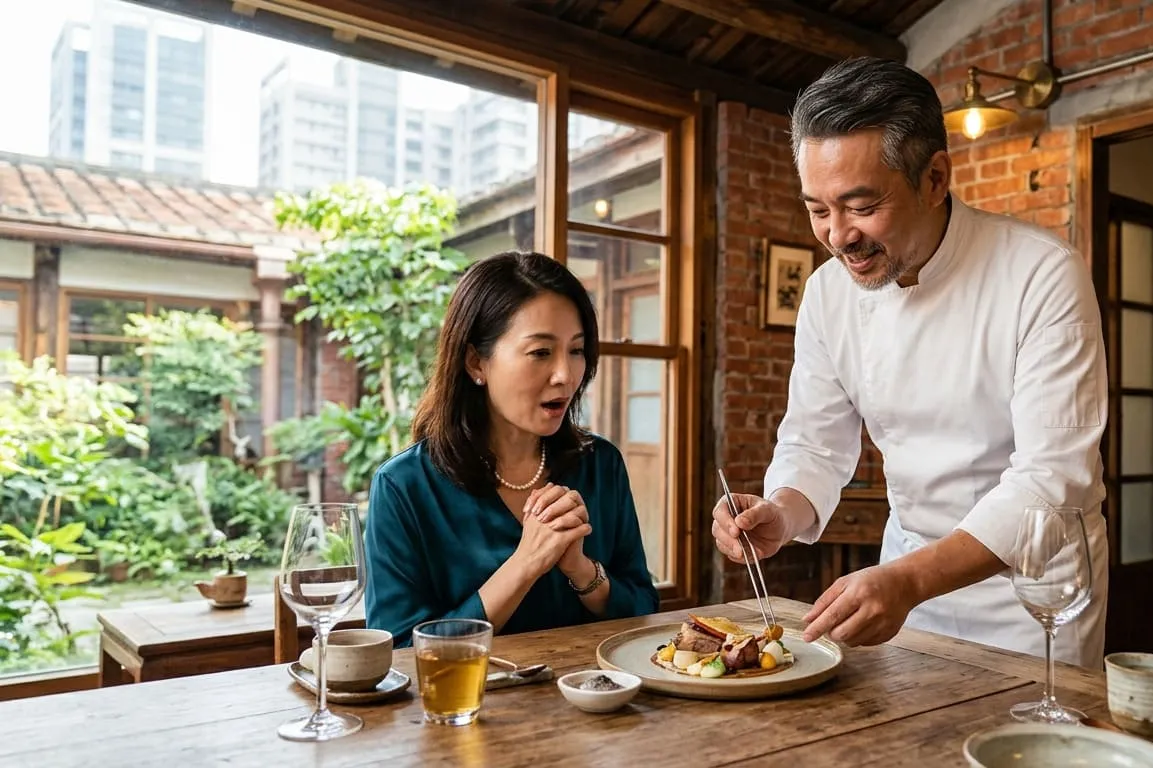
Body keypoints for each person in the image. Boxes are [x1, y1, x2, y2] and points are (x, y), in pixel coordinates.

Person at [710, 57, 1110, 668]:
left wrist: (910, 580)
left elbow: (1052, 482)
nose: (839, 235)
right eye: (818, 209)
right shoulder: (826, 294)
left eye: (861, 206)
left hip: (1030, 598)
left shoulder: (1041, 273)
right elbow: (815, 443)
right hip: (901, 587)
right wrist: (781, 512)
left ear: (934, 178)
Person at [365, 251, 660, 647]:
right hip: (465, 709)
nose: (566, 374)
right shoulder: (403, 486)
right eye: (540, 352)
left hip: (598, 702)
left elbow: (644, 613)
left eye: (576, 349)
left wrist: (581, 570)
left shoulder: (600, 464)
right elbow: (399, 651)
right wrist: (525, 564)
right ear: (476, 363)